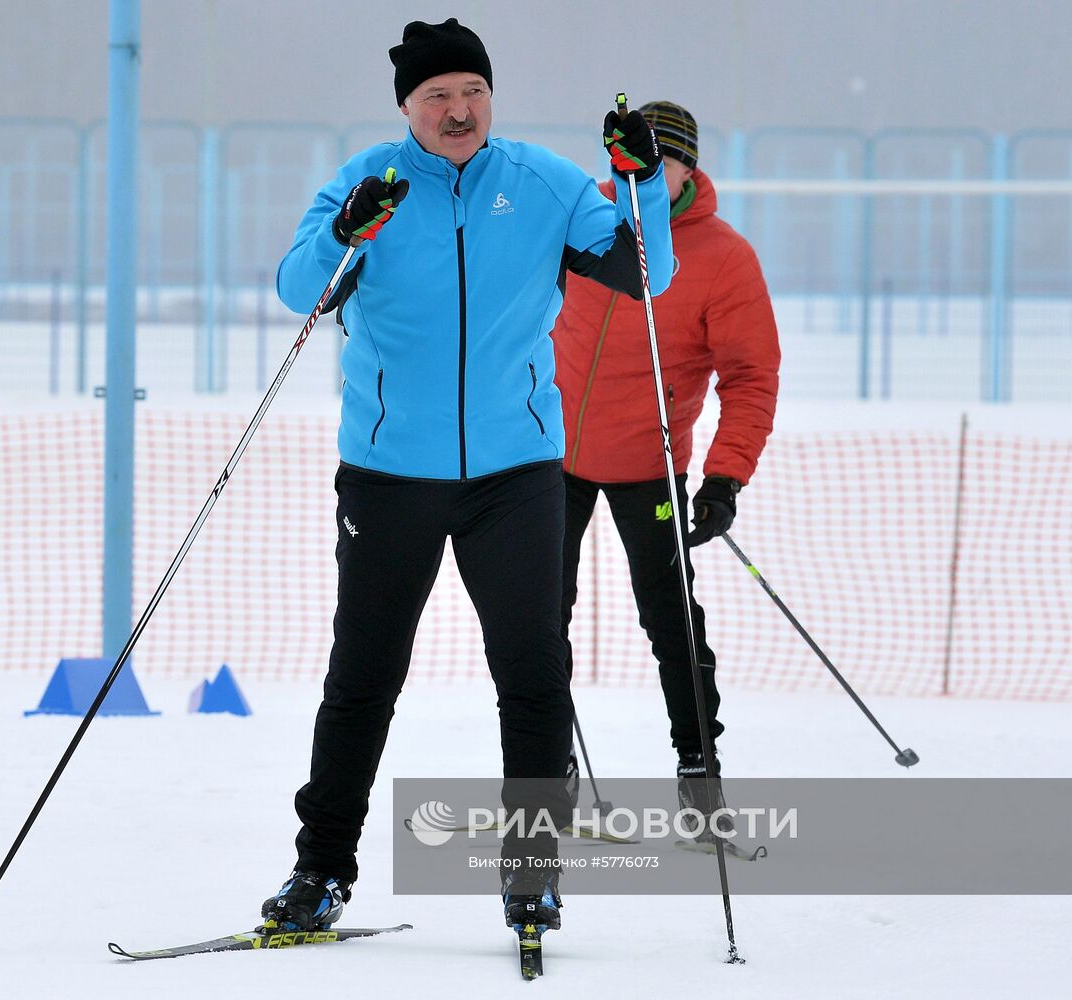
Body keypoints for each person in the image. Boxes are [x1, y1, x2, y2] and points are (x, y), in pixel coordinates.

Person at [263, 18, 672, 936]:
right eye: (438, 96)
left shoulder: (544, 183)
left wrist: (638, 181)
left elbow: (642, 274)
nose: (459, 110)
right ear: (406, 107)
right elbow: (298, 288)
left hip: (514, 471)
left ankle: (532, 871)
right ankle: (320, 871)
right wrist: (343, 233)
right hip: (387, 472)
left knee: (532, 672)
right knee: (362, 678)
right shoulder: (369, 181)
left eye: (472, 92)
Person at [552, 100, 780, 836]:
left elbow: (750, 375)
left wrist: (724, 478)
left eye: (660, 158)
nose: (643, 171)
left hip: (648, 466)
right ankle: (543, 766)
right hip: (545, 460)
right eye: (628, 157)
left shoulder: (722, 256)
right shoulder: (581, 221)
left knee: (670, 619)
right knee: (533, 617)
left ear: (685, 165)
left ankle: (697, 773)